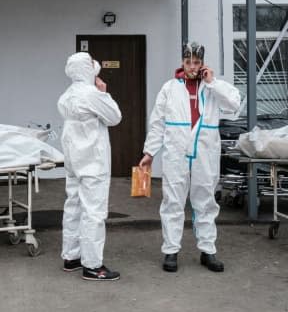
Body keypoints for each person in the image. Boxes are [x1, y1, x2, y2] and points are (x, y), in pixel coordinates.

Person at [139, 42, 241, 273]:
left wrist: (212, 82)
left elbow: (235, 105)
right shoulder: (170, 88)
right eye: (188, 62)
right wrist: (149, 152)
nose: (192, 66)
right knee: (173, 200)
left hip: (205, 153)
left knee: (205, 200)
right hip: (176, 152)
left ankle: (208, 250)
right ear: (182, 62)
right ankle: (171, 251)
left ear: (202, 63)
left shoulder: (212, 88)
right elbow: (157, 123)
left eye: (196, 62)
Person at [58, 52, 123, 281]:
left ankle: (71, 256)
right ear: (88, 70)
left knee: (73, 206)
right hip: (93, 162)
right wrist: (104, 93)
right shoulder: (92, 94)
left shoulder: (66, 96)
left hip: (74, 161)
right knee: (93, 211)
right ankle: (93, 265)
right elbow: (115, 117)